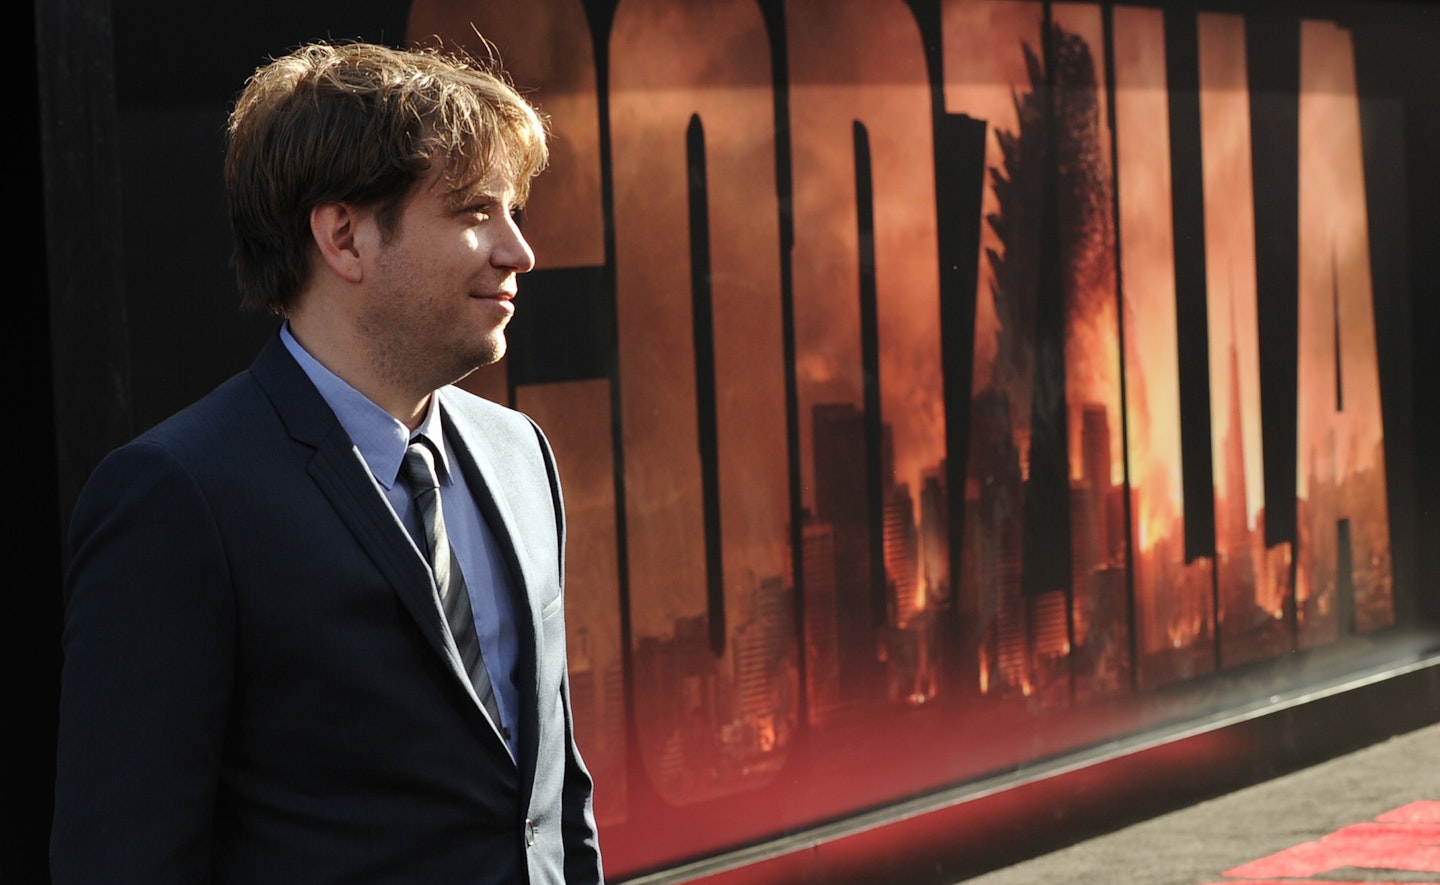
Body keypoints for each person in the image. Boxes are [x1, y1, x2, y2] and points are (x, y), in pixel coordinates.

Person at [51, 41, 603, 884]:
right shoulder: (179, 496)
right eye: (474, 212)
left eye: (514, 211)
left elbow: (552, 801)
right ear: (343, 236)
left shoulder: (518, 452)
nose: (518, 250)